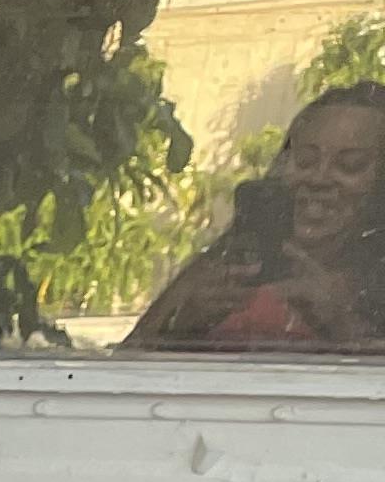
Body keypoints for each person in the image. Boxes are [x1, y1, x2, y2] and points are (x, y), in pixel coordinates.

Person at [126, 83, 385, 353]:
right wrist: (181, 327)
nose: (318, 178)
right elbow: (120, 371)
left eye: (350, 165)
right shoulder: (223, 268)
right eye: (305, 161)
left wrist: (343, 328)